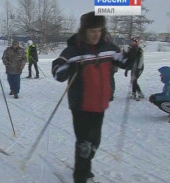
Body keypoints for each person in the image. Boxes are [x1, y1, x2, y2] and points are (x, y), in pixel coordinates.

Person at [52, 11, 130, 183]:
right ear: (84, 31)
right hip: (80, 105)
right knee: (84, 145)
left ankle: (85, 165)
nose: (96, 34)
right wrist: (69, 68)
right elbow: (57, 72)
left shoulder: (108, 48)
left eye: (99, 31)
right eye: (92, 31)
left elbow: (124, 62)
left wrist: (133, 57)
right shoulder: (74, 50)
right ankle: (80, 176)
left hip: (100, 104)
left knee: (94, 142)